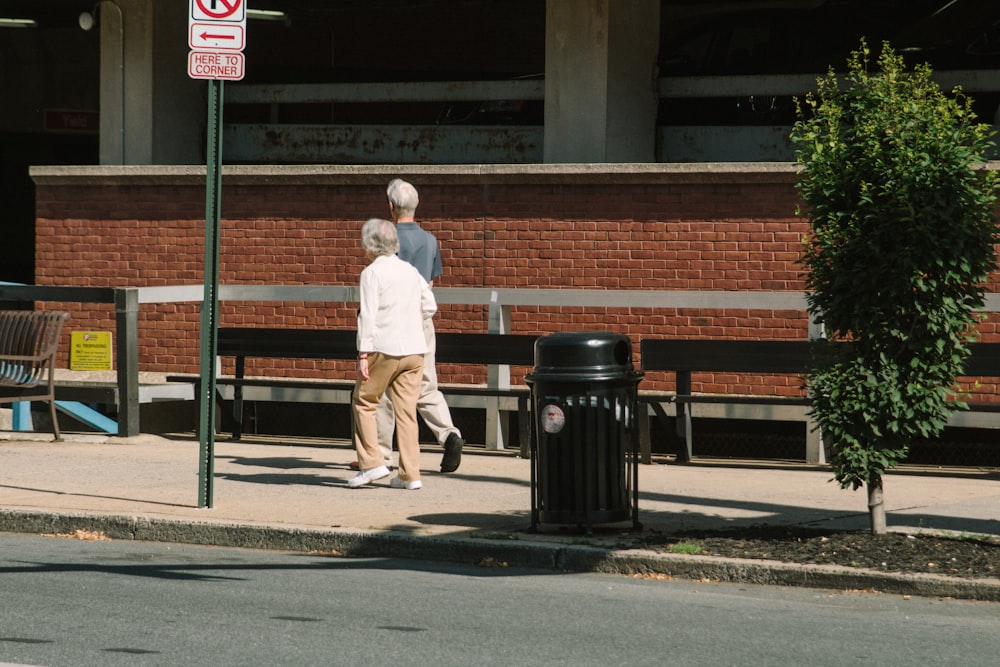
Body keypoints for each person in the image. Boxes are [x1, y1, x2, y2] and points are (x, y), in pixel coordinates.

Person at [375, 178, 466, 473]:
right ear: (416, 206)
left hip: (393, 322)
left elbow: (381, 280)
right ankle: (449, 434)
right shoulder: (430, 240)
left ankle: (381, 454)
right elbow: (429, 283)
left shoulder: (386, 239)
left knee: (386, 387)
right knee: (426, 385)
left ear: (391, 207)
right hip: (422, 321)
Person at [348, 218, 436, 490]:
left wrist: (363, 354)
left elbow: (368, 316)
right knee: (407, 412)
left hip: (384, 349)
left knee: (363, 401)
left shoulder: (371, 273)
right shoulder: (410, 271)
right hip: (414, 350)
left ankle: (372, 463)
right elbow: (430, 305)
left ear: (370, 245)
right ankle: (410, 475)